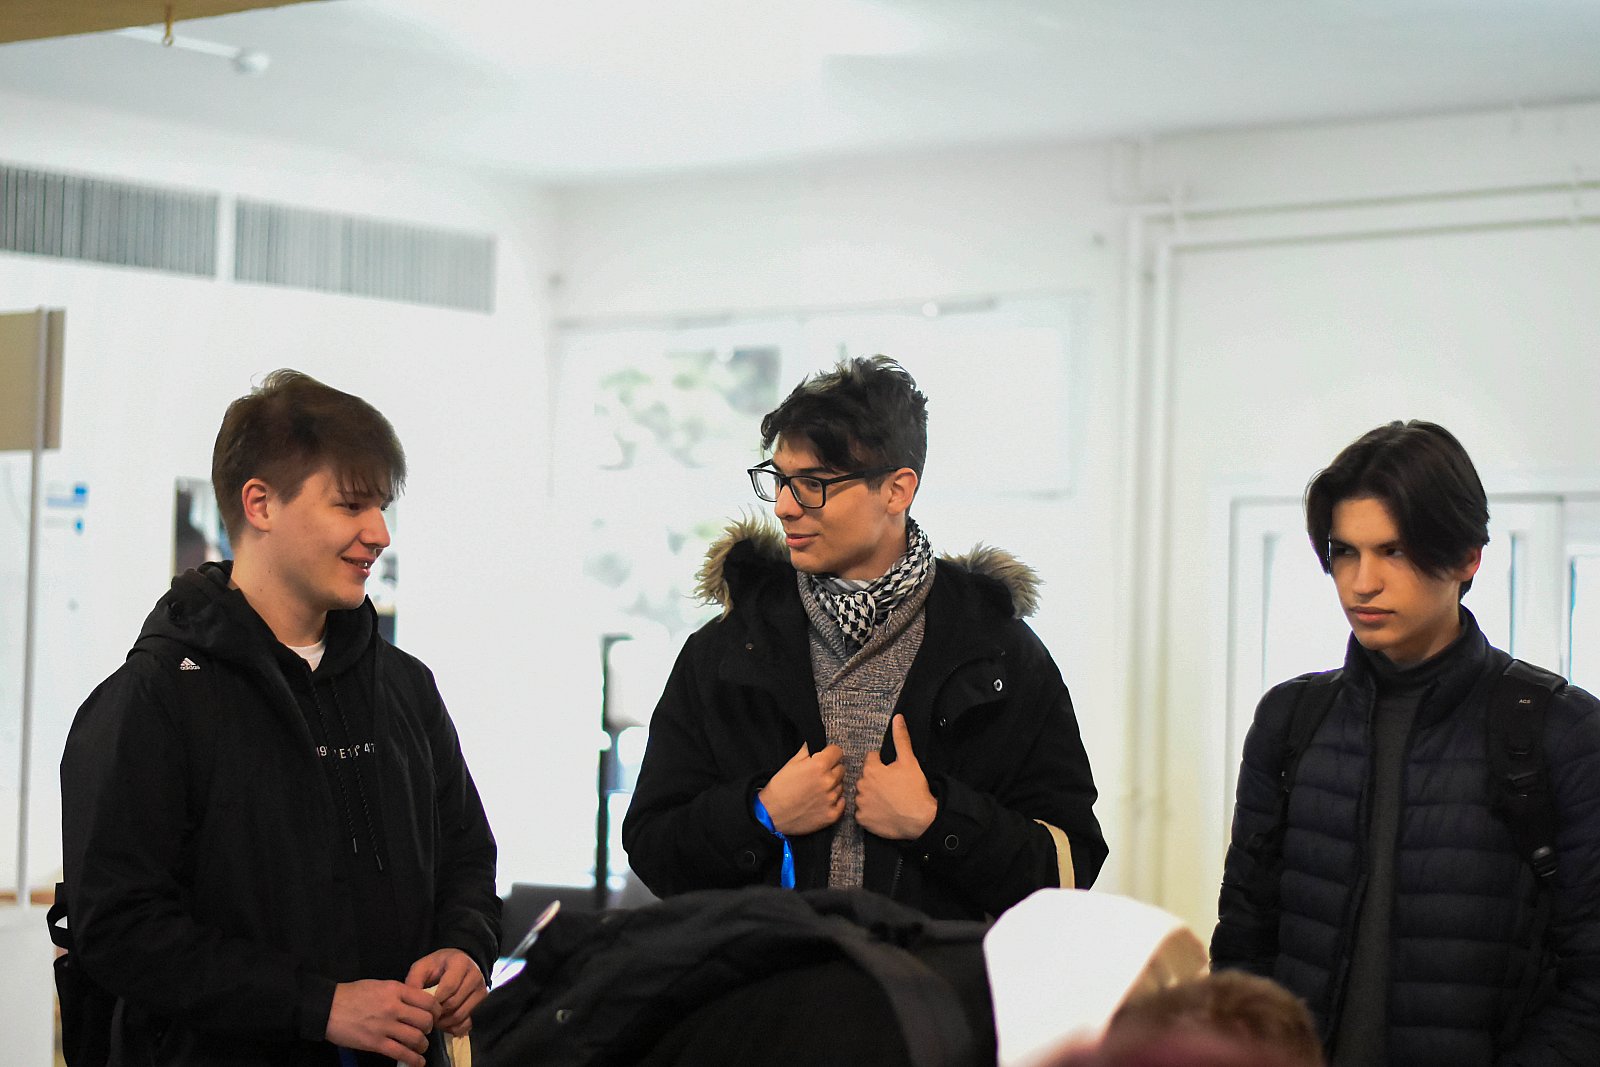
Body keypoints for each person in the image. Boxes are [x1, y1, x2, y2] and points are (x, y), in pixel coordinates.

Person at [60, 370, 500, 1067]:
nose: (379, 533)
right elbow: (120, 929)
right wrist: (317, 1005)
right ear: (260, 503)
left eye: (382, 507)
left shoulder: (406, 687)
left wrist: (466, 945)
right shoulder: (152, 700)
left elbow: (467, 856)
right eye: (351, 504)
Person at [621, 354, 1105, 920]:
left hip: (934, 976)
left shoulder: (1000, 653)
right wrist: (761, 813)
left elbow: (1069, 868)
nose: (784, 507)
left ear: (897, 490)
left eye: (813, 484)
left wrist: (935, 821)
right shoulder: (725, 651)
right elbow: (653, 848)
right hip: (761, 975)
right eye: (779, 480)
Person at [1212, 420, 1600, 1065]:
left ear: (1467, 558)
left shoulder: (1561, 729)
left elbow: (1592, 982)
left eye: (1393, 551)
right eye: (1344, 552)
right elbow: (1243, 944)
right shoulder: (1291, 718)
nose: (1361, 582)